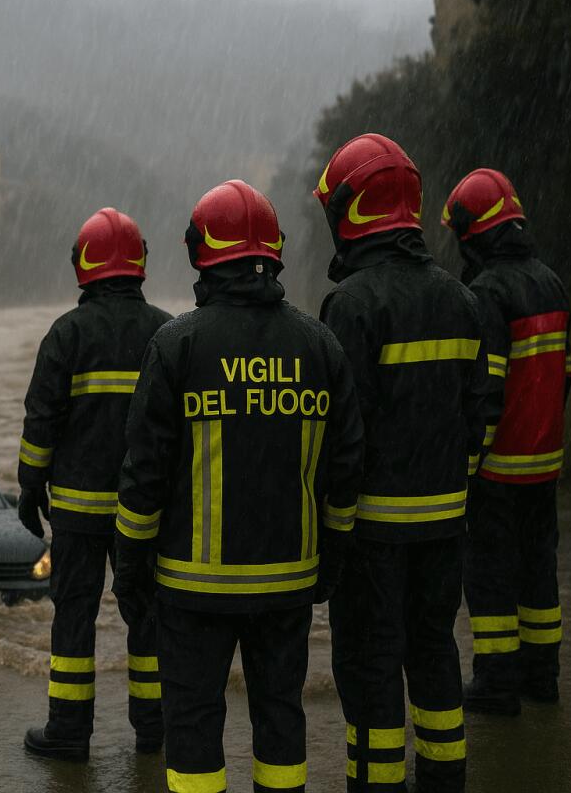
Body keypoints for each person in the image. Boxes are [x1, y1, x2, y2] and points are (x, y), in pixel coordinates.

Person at [114, 179, 363, 793]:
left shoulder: (176, 345)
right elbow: (346, 469)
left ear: (203, 254)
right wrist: (329, 563)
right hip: (287, 587)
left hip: (191, 591)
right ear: (273, 251)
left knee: (194, 730)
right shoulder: (320, 345)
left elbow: (142, 476)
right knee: (281, 723)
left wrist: (130, 571)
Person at [314, 134, 491, 792]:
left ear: (350, 213)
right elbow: (480, 421)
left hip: (372, 538)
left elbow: (341, 442)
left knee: (369, 666)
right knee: (436, 654)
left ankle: (377, 782)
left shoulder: (351, 306)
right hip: (446, 531)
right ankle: (445, 780)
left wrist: (330, 538)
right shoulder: (463, 301)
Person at [18, 207, 172, 761]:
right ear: (139, 262)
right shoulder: (166, 330)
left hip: (79, 515)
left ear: (83, 263)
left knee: (74, 620)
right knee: (149, 617)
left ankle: (68, 733)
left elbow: (42, 420)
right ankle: (155, 732)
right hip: (146, 514)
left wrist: (29, 487)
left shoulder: (67, 334)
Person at [442, 168, 571, 715]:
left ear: (476, 230)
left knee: (489, 576)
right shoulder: (551, 282)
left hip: (498, 470)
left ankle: (496, 683)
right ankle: (542, 677)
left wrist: (470, 462)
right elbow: (564, 376)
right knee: (539, 571)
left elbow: (486, 392)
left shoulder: (487, 292)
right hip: (545, 465)